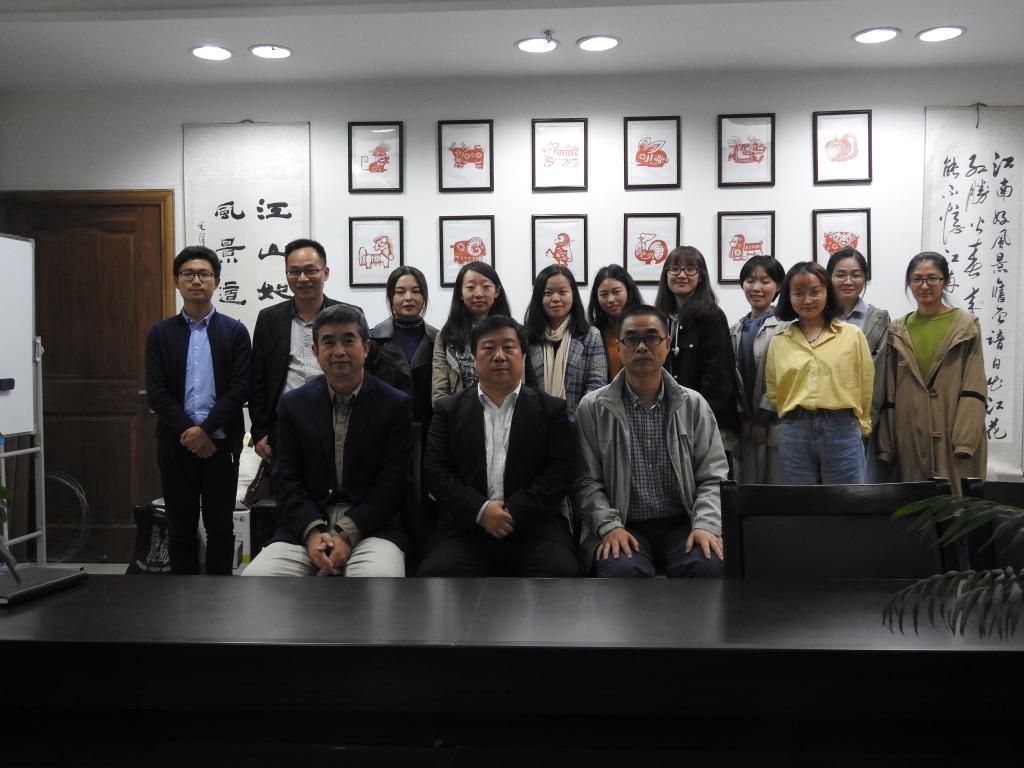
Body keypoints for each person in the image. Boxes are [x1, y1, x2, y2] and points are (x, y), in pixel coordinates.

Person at [243, 305, 413, 577]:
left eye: (348, 340)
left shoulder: (394, 404)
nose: (339, 351)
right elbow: (286, 479)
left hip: (371, 528)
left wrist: (346, 535)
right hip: (305, 526)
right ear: (315, 351)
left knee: (379, 582)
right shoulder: (293, 405)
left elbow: (392, 485)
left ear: (366, 348)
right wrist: (312, 533)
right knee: (258, 579)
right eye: (329, 342)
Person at [417, 315, 578, 577]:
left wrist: (512, 511)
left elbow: (561, 472)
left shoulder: (551, 409)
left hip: (533, 526)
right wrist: (481, 511)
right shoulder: (448, 409)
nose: (499, 356)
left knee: (560, 574)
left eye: (509, 347)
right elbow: (436, 472)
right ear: (474, 357)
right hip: (466, 526)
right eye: (489, 348)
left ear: (523, 356)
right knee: (437, 575)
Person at [575, 305, 728, 578]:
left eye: (651, 337)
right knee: (620, 570)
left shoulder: (693, 405)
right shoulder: (593, 407)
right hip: (624, 523)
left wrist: (705, 525)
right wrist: (609, 526)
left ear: (667, 345)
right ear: (619, 348)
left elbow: (713, 477)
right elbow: (586, 481)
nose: (642, 347)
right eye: (632, 339)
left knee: (707, 565)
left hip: (683, 522)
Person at [145, 245, 251, 574]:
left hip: (221, 446)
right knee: (180, 530)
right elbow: (157, 393)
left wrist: (205, 431)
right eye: (188, 274)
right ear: (176, 281)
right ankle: (184, 599)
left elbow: (240, 388)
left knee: (221, 529)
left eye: (204, 274)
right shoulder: (160, 334)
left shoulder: (234, 332)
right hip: (176, 446)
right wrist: (190, 433)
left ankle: (219, 599)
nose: (196, 280)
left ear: (216, 281)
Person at [878, 252, 987, 493]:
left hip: (952, 431)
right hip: (909, 429)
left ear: (946, 281)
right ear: (909, 283)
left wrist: (965, 441)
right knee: (915, 503)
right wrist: (887, 444)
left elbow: (974, 383)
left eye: (932, 278)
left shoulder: (966, 326)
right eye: (917, 279)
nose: (924, 285)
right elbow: (889, 389)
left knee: (955, 503)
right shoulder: (897, 329)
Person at [248, 238, 363, 462]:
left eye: (310, 270)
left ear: (325, 273)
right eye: (294, 272)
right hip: (285, 425)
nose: (302, 278)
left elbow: (362, 369)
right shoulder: (269, 319)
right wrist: (260, 430)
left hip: (339, 421)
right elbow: (258, 381)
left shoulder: (350, 315)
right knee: (289, 482)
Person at [765, 262, 873, 485]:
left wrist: (861, 425)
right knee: (801, 502)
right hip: (794, 431)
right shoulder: (779, 341)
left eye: (815, 292)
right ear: (788, 297)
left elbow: (865, 383)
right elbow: (774, 390)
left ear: (827, 293)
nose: (807, 300)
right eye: (798, 293)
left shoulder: (852, 335)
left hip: (842, 429)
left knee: (847, 500)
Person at [654, 246, 740, 464]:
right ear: (666, 275)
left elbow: (718, 377)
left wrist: (697, 419)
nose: (682, 275)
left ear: (701, 276)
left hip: (705, 423)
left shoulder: (712, 316)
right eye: (675, 269)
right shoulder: (659, 317)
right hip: (666, 421)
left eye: (690, 269)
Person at [826, 247, 891, 481]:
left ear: (865, 278)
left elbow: (879, 373)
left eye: (856, 275)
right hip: (822, 417)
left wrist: (867, 419)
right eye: (840, 274)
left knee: (858, 485)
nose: (848, 281)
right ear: (829, 277)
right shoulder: (816, 316)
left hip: (860, 418)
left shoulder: (878, 319)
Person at [729, 256, 788, 484]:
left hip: (775, 423)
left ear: (779, 286)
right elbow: (731, 379)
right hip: (744, 427)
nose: (756, 287)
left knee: (776, 489)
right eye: (750, 280)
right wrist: (742, 419)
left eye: (765, 281)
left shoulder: (787, 327)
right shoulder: (735, 329)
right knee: (746, 488)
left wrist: (763, 417)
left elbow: (783, 376)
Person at [523, 264, 607, 420]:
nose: (555, 299)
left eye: (562, 292)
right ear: (539, 297)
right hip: (535, 423)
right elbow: (522, 385)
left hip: (578, 424)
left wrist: (573, 420)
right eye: (548, 293)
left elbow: (596, 385)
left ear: (573, 295)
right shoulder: (527, 337)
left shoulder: (590, 336)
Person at [367, 265, 438, 438]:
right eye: (400, 292)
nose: (408, 297)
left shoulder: (438, 340)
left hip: (429, 432)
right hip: (383, 430)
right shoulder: (372, 340)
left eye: (416, 291)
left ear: (424, 296)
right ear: (391, 297)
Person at [431, 262, 512, 401]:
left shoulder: (512, 334)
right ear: (460, 293)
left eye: (486, 287)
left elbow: (520, 385)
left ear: (496, 291)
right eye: (470, 287)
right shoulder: (445, 337)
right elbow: (439, 394)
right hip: (459, 412)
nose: (479, 294)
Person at [587, 264, 644, 380]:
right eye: (604, 294)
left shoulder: (646, 326)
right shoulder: (593, 333)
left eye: (616, 292)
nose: (611, 300)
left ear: (628, 290)